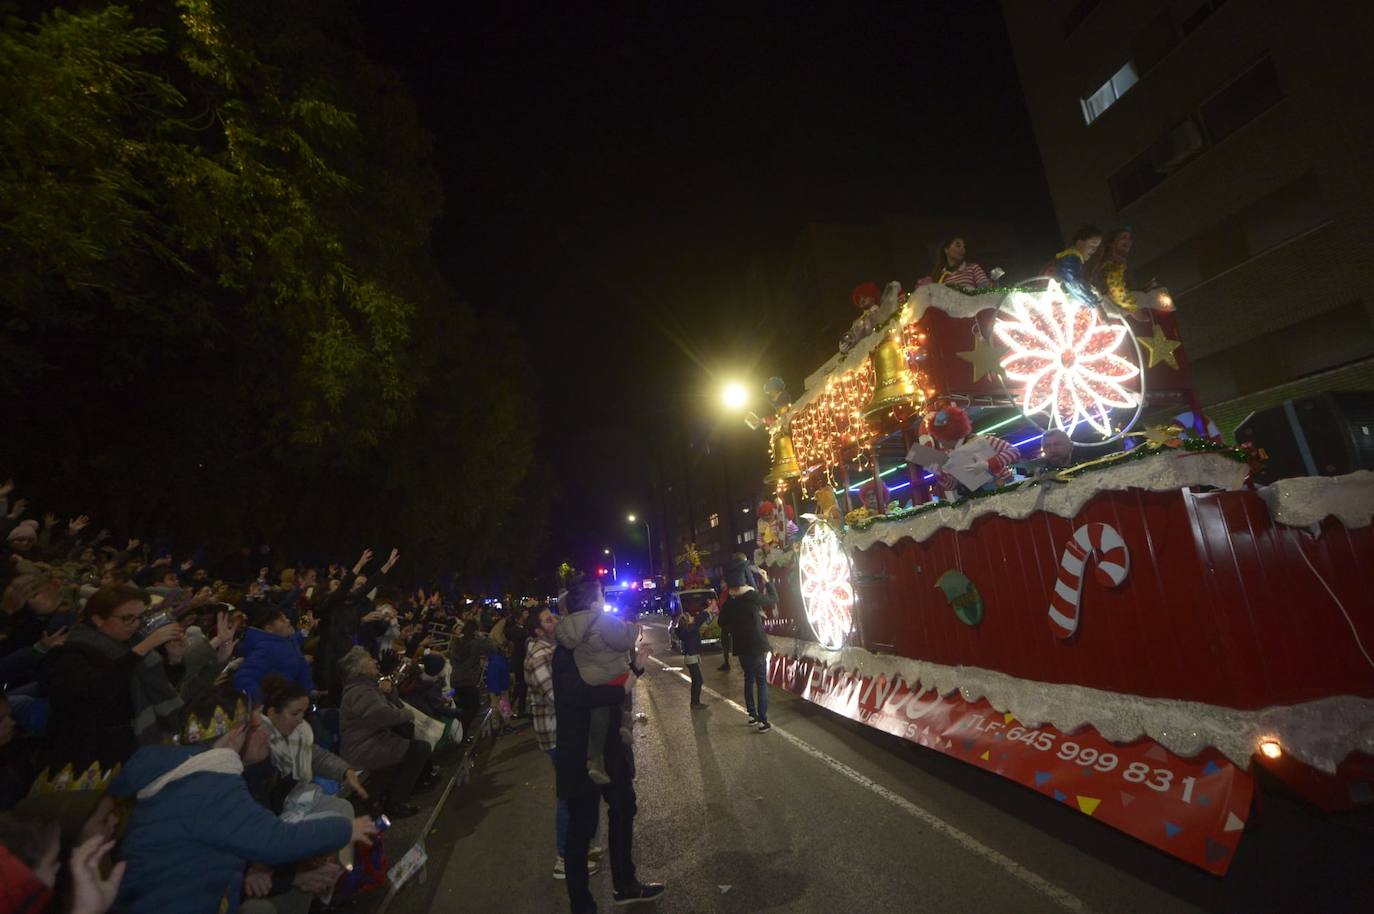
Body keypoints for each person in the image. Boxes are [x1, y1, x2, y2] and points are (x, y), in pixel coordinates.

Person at [107, 713, 374, 914]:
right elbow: (271, 841)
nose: (266, 735)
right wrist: (345, 829)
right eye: (255, 728)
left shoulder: (199, 775)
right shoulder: (210, 784)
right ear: (234, 734)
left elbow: (236, 843)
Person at [553, 630, 663, 912]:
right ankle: (582, 904)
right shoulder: (566, 653)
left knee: (624, 811)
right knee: (582, 830)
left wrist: (633, 669)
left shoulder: (599, 644)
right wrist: (624, 685)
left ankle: (625, 884)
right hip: (582, 755)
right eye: (598, 601)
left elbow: (611, 692)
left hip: (611, 747)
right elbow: (580, 695)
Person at [40, 585, 184, 769]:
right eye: (127, 618)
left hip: (127, 743)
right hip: (88, 752)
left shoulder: (131, 643)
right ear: (98, 619)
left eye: (139, 617)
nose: (135, 624)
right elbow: (97, 692)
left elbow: (157, 687)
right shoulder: (73, 651)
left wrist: (174, 660)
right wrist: (139, 651)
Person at [524, 605, 603, 881]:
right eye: (548, 620)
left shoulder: (554, 650)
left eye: (554, 616)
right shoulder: (537, 658)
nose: (555, 621)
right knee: (569, 795)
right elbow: (557, 697)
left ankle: (582, 846)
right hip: (557, 734)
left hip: (567, 731)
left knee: (580, 790)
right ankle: (564, 858)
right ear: (537, 631)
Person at [554, 581, 638, 786]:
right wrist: (632, 629)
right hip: (613, 675)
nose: (603, 600)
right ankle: (626, 720)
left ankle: (595, 760)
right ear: (593, 604)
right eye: (600, 596)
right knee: (624, 688)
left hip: (590, 678)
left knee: (599, 716)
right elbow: (622, 641)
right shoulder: (602, 620)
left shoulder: (565, 630)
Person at [337, 646, 433, 818]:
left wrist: (389, 691)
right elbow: (383, 715)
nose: (374, 661)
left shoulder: (367, 686)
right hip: (364, 748)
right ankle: (395, 803)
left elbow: (392, 704)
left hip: (372, 740)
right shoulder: (360, 691)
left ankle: (405, 789)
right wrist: (408, 714)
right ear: (360, 668)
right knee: (419, 749)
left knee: (411, 742)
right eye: (369, 659)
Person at [718, 557, 777, 731]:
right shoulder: (750, 596)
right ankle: (762, 720)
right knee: (761, 682)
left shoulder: (731, 601)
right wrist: (766, 580)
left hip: (741, 647)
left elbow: (721, 622)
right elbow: (773, 598)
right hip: (756, 645)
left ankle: (752, 715)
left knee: (748, 679)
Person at [232, 605, 313, 705]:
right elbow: (243, 677)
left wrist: (306, 622)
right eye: (282, 620)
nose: (288, 621)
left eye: (286, 618)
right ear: (269, 629)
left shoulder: (283, 640)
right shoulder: (266, 648)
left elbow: (297, 637)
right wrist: (263, 705)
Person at [447, 620, 496, 732]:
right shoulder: (475, 643)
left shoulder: (456, 643)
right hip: (468, 681)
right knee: (474, 707)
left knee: (463, 707)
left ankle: (460, 731)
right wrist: (482, 637)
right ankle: (461, 733)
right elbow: (492, 650)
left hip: (455, 679)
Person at [1044, 225, 1102, 303]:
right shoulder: (1071, 257)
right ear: (1079, 243)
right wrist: (1094, 304)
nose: (1094, 250)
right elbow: (1074, 282)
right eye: (1092, 245)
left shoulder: (1071, 257)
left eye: (1097, 247)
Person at [921, 237, 993, 291]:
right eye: (958, 245)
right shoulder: (940, 275)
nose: (962, 249)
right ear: (946, 250)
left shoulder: (973, 268)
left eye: (964, 246)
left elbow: (984, 290)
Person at [675, 604, 707, 709]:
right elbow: (699, 621)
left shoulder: (688, 630)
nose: (693, 617)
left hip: (691, 657)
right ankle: (695, 703)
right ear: (688, 621)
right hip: (691, 657)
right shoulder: (690, 630)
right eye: (690, 616)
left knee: (696, 680)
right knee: (698, 680)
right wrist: (707, 611)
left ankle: (695, 702)